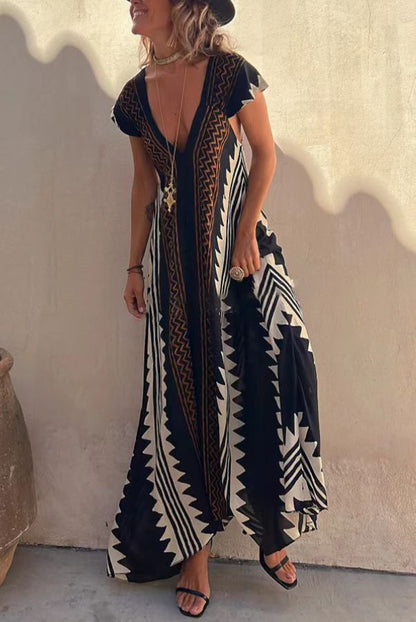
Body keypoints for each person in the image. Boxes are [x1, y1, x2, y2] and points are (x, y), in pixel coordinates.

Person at [106, 0, 329, 617]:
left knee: (272, 379)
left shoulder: (232, 76)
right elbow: (144, 184)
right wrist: (133, 266)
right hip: (174, 275)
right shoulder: (133, 98)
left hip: (240, 261)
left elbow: (265, 153)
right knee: (183, 405)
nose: (132, 2)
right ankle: (195, 556)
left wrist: (247, 229)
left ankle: (271, 529)